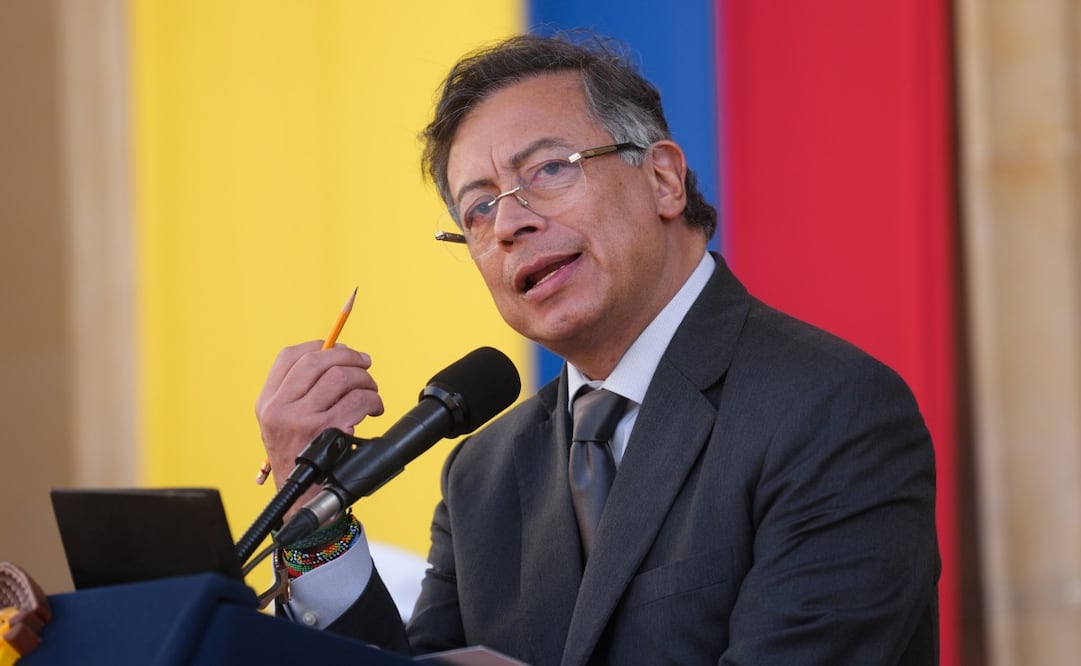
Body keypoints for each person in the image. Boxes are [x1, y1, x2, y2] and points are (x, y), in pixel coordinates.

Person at [255, 33, 940, 665]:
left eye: (549, 169)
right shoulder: (482, 475)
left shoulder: (828, 408)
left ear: (664, 179)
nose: (511, 224)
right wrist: (311, 517)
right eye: (478, 209)